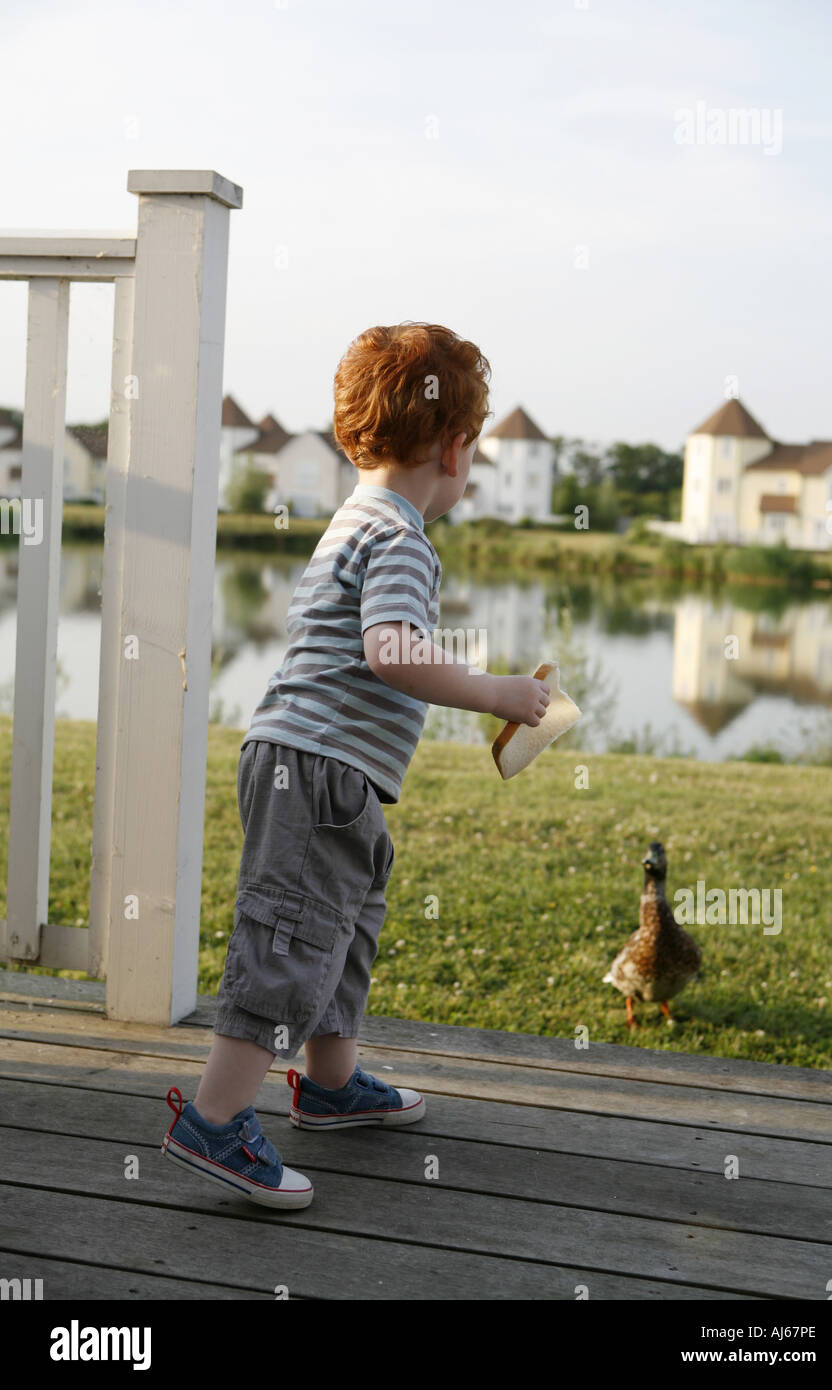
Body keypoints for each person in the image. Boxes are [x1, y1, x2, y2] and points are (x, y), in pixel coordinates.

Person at [161, 322, 550, 1207]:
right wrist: (492, 691)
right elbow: (390, 650)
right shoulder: (404, 539)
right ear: (455, 450)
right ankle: (215, 1121)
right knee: (290, 937)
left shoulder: (353, 516)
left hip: (321, 770)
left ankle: (331, 1085)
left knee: (339, 928)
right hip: (319, 768)